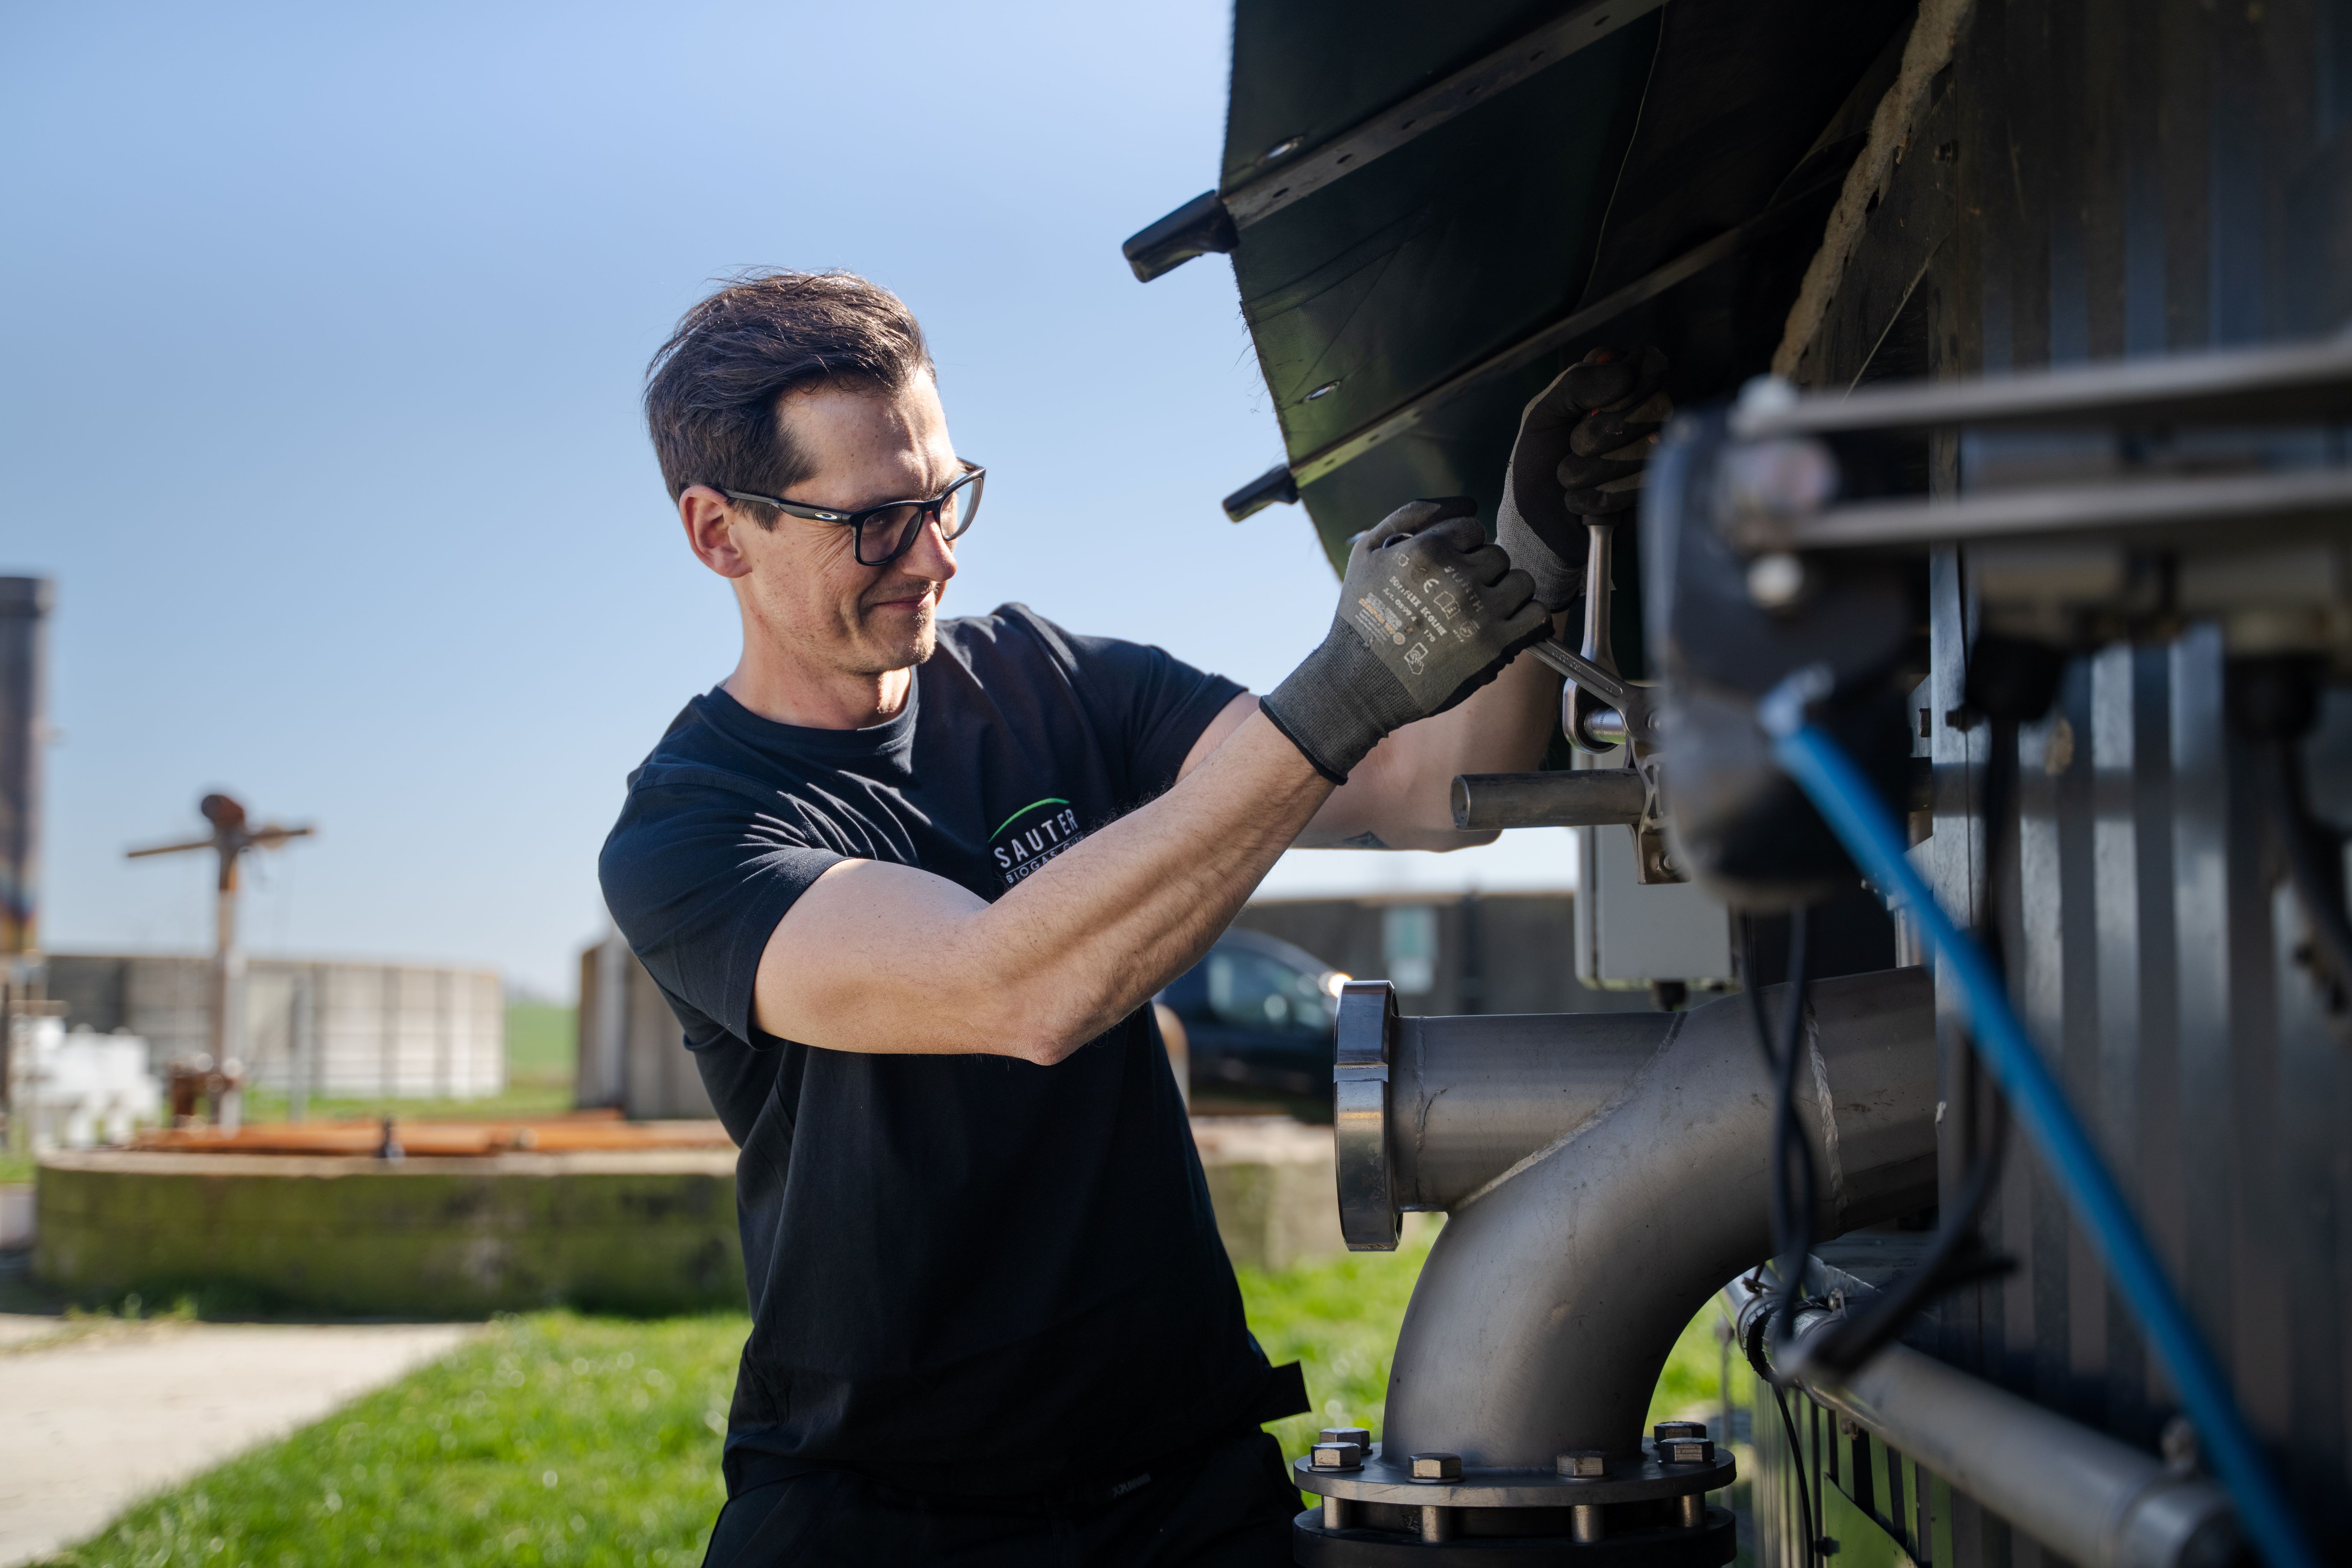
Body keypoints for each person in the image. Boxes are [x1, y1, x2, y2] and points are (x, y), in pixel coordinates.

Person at [598, 270, 1663, 1568]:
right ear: (720, 533)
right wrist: (1340, 696)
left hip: (1178, 1473)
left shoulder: (1047, 681)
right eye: (877, 523)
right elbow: (1008, 991)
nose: (937, 556)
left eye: (944, 497)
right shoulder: (692, 830)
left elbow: (1419, 786)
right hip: (885, 1504)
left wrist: (1536, 550)